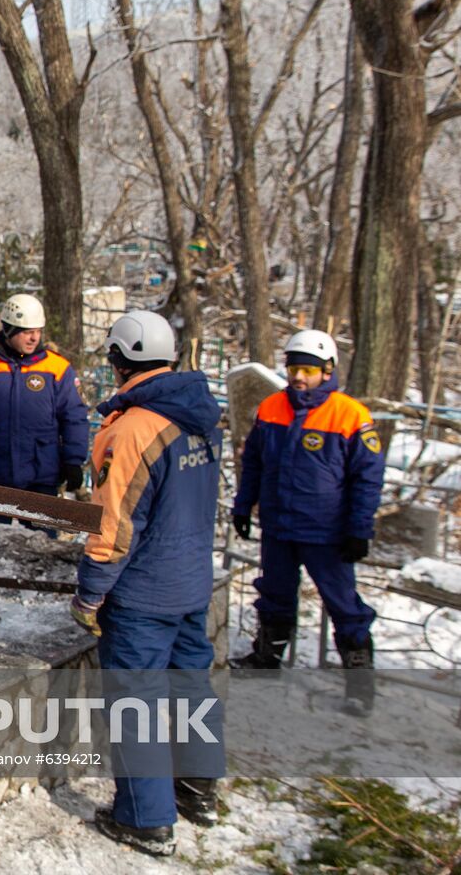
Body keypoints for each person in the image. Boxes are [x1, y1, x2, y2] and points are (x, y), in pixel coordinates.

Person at [69, 310, 224, 856]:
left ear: (118, 359)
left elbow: (115, 522)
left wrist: (91, 590)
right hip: (191, 579)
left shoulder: (135, 429)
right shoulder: (200, 415)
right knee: (191, 685)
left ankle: (146, 819)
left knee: (135, 702)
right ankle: (198, 787)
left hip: (144, 591)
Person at [230, 329, 385, 716]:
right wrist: (243, 505)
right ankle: (266, 659)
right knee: (274, 594)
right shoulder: (271, 408)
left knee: (344, 605)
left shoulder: (350, 415)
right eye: (294, 369)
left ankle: (359, 684)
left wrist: (359, 530)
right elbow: (253, 463)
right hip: (279, 527)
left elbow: (367, 479)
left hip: (326, 532)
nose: (299, 377)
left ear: (327, 371)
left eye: (309, 371)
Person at [0, 293, 89, 527]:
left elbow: (74, 417)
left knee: (39, 544)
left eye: (38, 331)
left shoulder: (57, 368)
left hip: (41, 475)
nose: (34, 338)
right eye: (27, 332)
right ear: (9, 330)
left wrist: (73, 460)